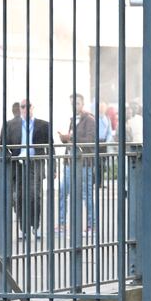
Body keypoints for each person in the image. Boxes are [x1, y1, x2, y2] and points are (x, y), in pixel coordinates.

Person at [2, 99, 52, 240]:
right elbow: (3, 145)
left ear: (32, 107)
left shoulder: (43, 125)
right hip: (17, 164)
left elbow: (50, 147)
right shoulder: (11, 125)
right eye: (22, 107)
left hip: (34, 163)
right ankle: (23, 228)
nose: (25, 109)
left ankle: (35, 226)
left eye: (28, 106)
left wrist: (52, 168)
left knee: (34, 196)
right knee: (18, 197)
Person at [57, 93, 97, 233]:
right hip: (70, 162)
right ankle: (62, 223)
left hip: (84, 163)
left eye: (77, 103)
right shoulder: (73, 119)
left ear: (83, 104)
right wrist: (65, 138)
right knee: (63, 190)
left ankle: (92, 225)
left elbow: (91, 140)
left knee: (87, 194)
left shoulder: (90, 120)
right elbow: (71, 140)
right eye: (72, 103)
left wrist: (72, 137)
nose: (74, 106)